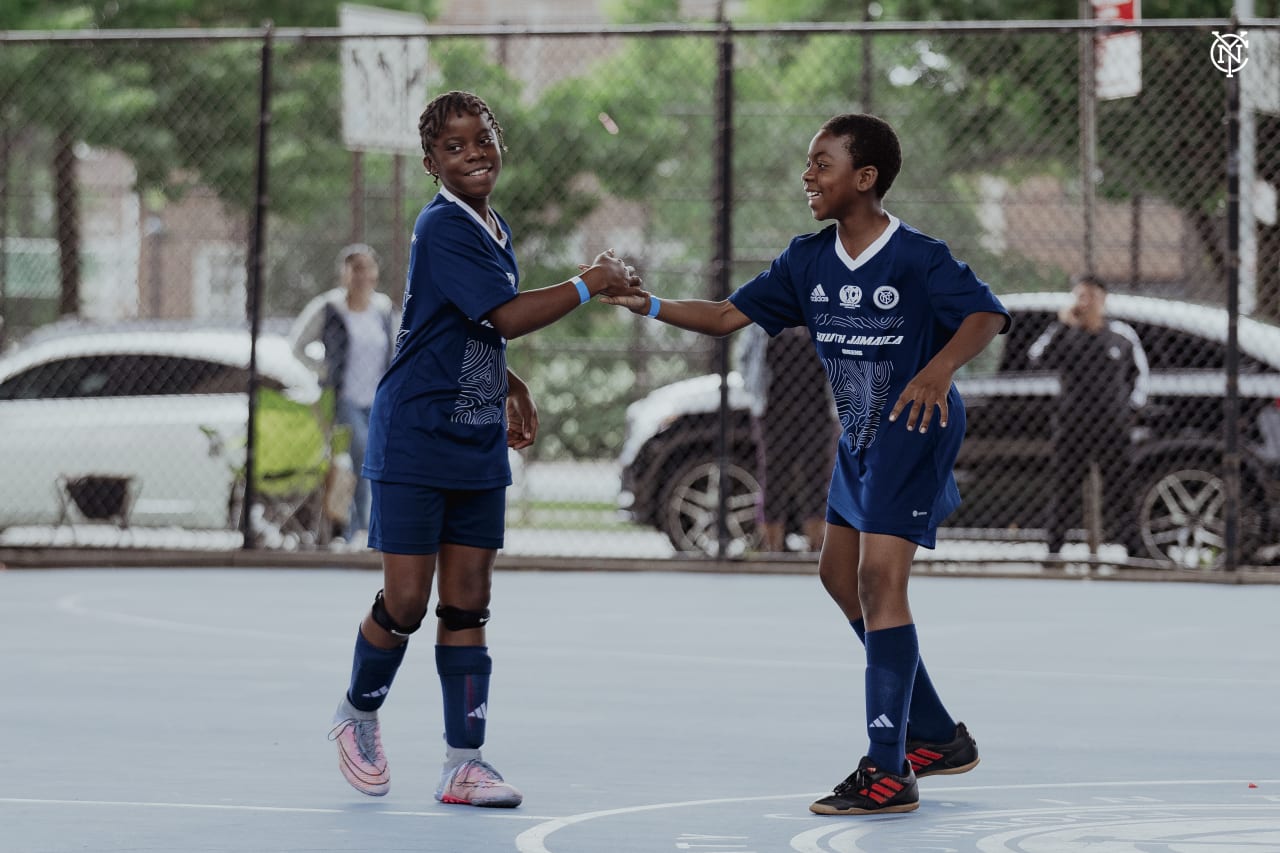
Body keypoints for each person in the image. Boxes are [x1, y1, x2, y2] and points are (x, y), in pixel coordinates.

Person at [603, 113, 1010, 816]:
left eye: (823, 163)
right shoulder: (808, 260)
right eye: (808, 163)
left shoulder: (918, 254)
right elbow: (730, 315)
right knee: (834, 573)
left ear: (866, 177)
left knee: (882, 582)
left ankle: (889, 769)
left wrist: (939, 370)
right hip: (859, 432)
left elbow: (985, 315)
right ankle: (937, 732)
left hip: (914, 427)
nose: (808, 176)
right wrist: (650, 304)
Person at [327, 91, 645, 809]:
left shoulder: (489, 224)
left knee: (468, 602)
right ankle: (355, 713)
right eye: (455, 147)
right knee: (406, 601)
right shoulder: (442, 223)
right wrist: (589, 283)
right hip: (415, 435)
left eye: (483, 138)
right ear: (431, 162)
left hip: (472, 434)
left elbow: (463, 327)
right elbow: (503, 313)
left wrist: (507, 379)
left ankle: (462, 763)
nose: (474, 153)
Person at [1027, 274, 1148, 555]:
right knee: (1065, 488)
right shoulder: (1063, 333)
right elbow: (1036, 357)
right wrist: (1063, 325)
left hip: (1112, 428)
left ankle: (1132, 549)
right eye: (1080, 296)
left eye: (1091, 296)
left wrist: (1129, 411)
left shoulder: (1121, 334)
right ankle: (1054, 548)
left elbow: (1140, 376)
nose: (1085, 302)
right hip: (1072, 426)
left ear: (1103, 299)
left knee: (1120, 488)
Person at [290, 243, 397, 544]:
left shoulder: (384, 309)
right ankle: (359, 529)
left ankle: (362, 527)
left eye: (367, 268)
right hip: (346, 397)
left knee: (374, 460)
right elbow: (297, 344)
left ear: (375, 273)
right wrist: (323, 371)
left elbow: (397, 349)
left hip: (378, 399)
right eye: (355, 268)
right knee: (362, 452)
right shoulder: (330, 308)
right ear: (345, 273)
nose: (362, 275)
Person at [739, 324, 837, 552]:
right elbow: (744, 358)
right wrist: (753, 392)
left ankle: (816, 549)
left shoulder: (826, 312)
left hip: (818, 409)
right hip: (773, 409)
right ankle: (772, 549)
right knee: (774, 475)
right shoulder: (764, 317)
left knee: (817, 476)